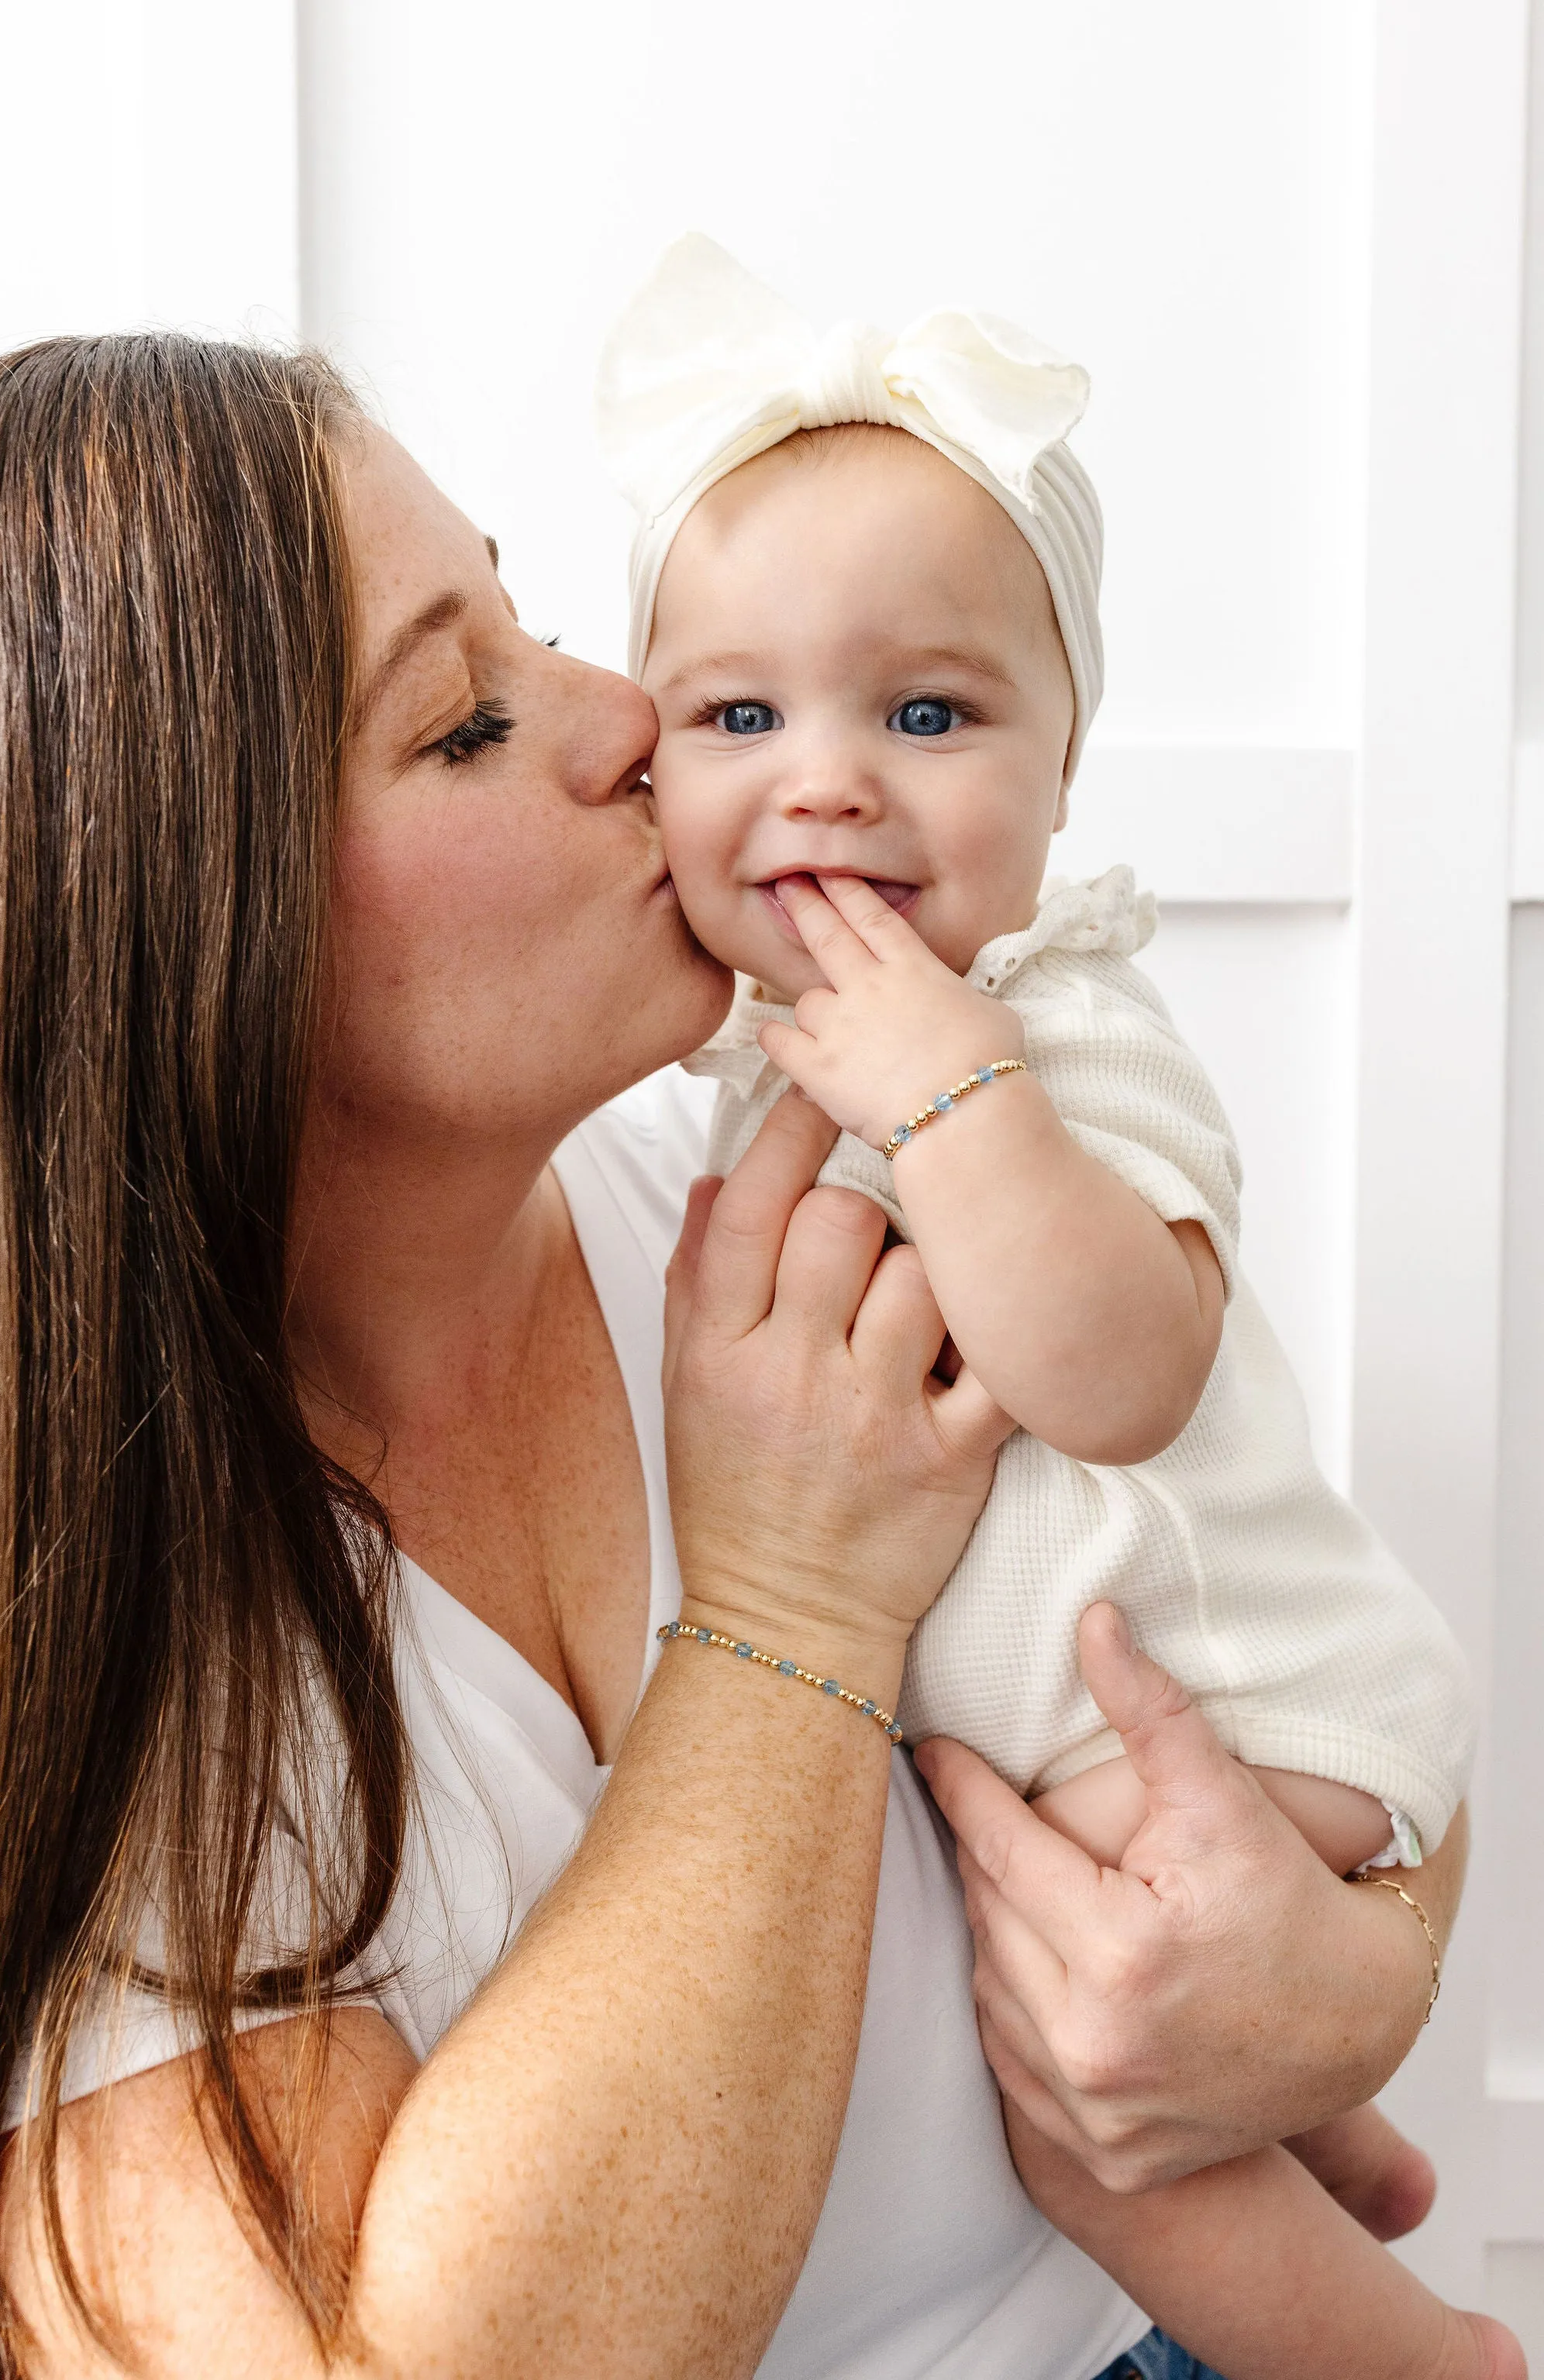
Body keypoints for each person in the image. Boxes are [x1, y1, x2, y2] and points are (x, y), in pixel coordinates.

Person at [0, 329, 1479, 2380]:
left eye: (545, 621)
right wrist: (787, 1600)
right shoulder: (98, 1633)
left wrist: (1353, 1973)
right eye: (468, 722)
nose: (636, 726)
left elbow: (1262, 1607)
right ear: (197, 939)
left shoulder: (809, 1173)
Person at [599, 234, 1518, 2378]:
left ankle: (1423, 2357)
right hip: (1075, 1730)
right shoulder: (745, 1067)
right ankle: (1342, 2162)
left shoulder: (1052, 1025)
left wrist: (959, 1101)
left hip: (1216, 1696)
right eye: (739, 715)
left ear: (1068, 762)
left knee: (1076, 2110)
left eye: (925, 712)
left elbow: (1118, 1372)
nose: (824, 779)